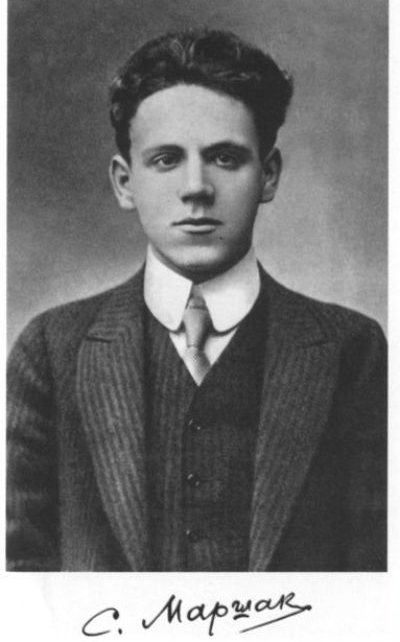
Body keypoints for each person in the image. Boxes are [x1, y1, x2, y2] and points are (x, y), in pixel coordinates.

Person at [7, 28, 387, 572]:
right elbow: (17, 582)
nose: (196, 188)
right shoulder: (51, 349)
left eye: (225, 158)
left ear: (269, 176)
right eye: (166, 159)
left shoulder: (353, 351)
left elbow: (378, 581)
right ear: (124, 182)